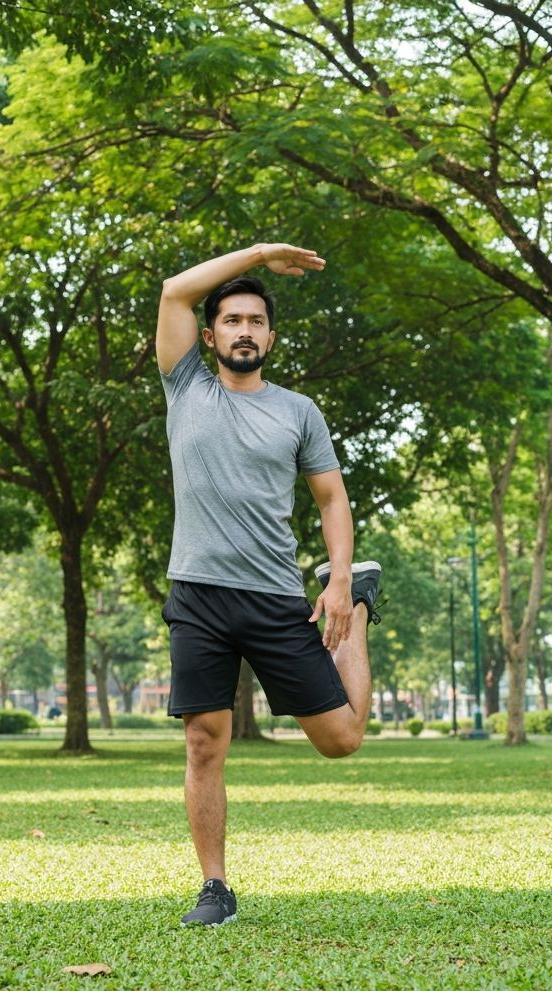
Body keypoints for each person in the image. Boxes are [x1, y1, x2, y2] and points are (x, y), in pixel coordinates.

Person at [156, 242, 382, 927]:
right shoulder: (185, 386)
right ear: (210, 335)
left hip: (275, 596)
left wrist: (337, 582)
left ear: (272, 338)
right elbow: (174, 290)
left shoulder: (298, 411)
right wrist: (258, 254)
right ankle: (215, 888)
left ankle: (362, 604)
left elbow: (331, 499)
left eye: (257, 321)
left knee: (341, 739)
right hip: (197, 594)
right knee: (204, 741)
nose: (245, 330)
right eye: (232, 320)